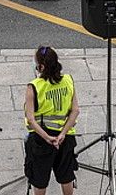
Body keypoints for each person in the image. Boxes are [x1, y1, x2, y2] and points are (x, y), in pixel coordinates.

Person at [23, 46, 79, 195]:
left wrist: (48, 138)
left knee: (39, 180)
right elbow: (75, 111)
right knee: (66, 176)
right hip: (65, 137)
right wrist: (62, 135)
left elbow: (31, 120)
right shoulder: (68, 80)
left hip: (41, 140)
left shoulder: (34, 87)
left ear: (40, 66)